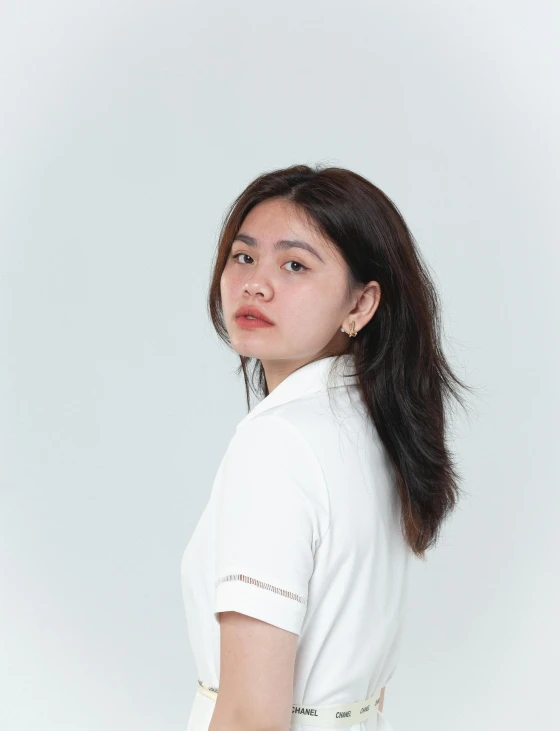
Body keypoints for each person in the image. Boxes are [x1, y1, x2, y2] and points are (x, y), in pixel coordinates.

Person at [181, 164, 471, 731]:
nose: (256, 283)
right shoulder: (374, 429)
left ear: (360, 306)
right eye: (243, 256)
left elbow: (249, 716)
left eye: (294, 265)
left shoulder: (277, 444)